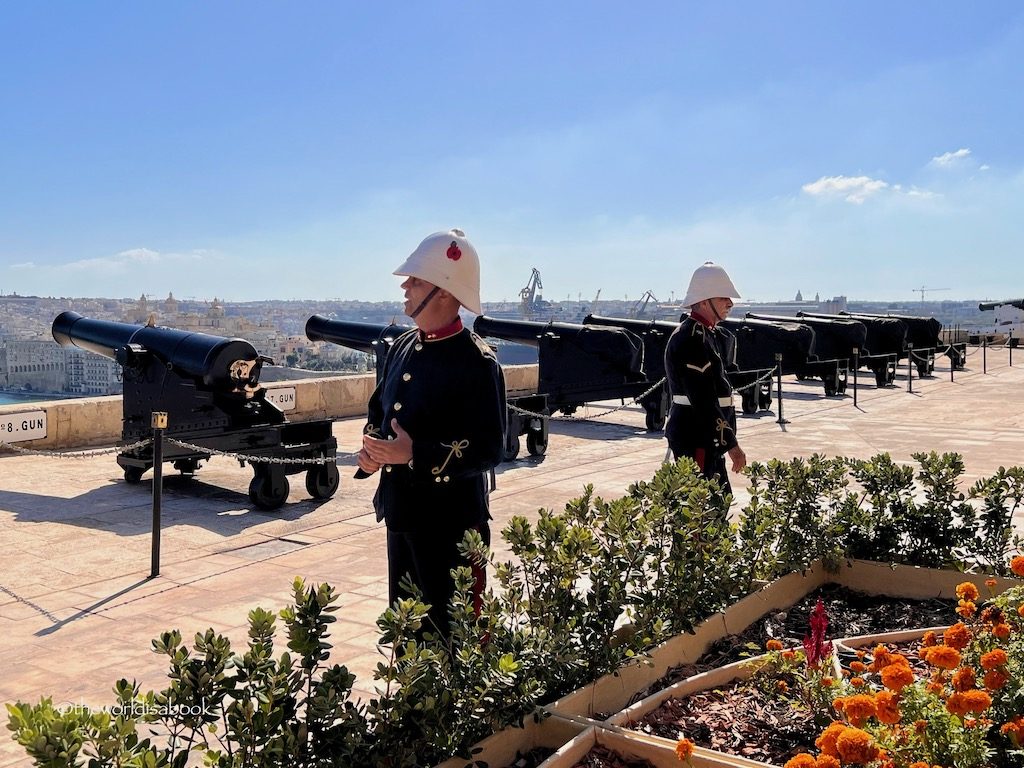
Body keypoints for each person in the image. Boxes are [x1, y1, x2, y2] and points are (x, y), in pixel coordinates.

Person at [356, 228, 506, 638]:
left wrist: (415, 454)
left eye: (417, 280)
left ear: (443, 291)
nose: (405, 286)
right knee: (409, 638)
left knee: (453, 636)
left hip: (451, 523)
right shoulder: (402, 346)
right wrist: (373, 450)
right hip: (402, 514)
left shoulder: (478, 361)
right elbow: (379, 410)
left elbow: (491, 446)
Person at [664, 261, 747, 495]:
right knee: (698, 520)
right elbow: (704, 400)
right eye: (723, 298)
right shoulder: (692, 338)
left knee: (718, 508)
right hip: (697, 437)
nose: (730, 303)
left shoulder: (706, 334)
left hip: (706, 439)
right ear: (702, 301)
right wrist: (732, 445)